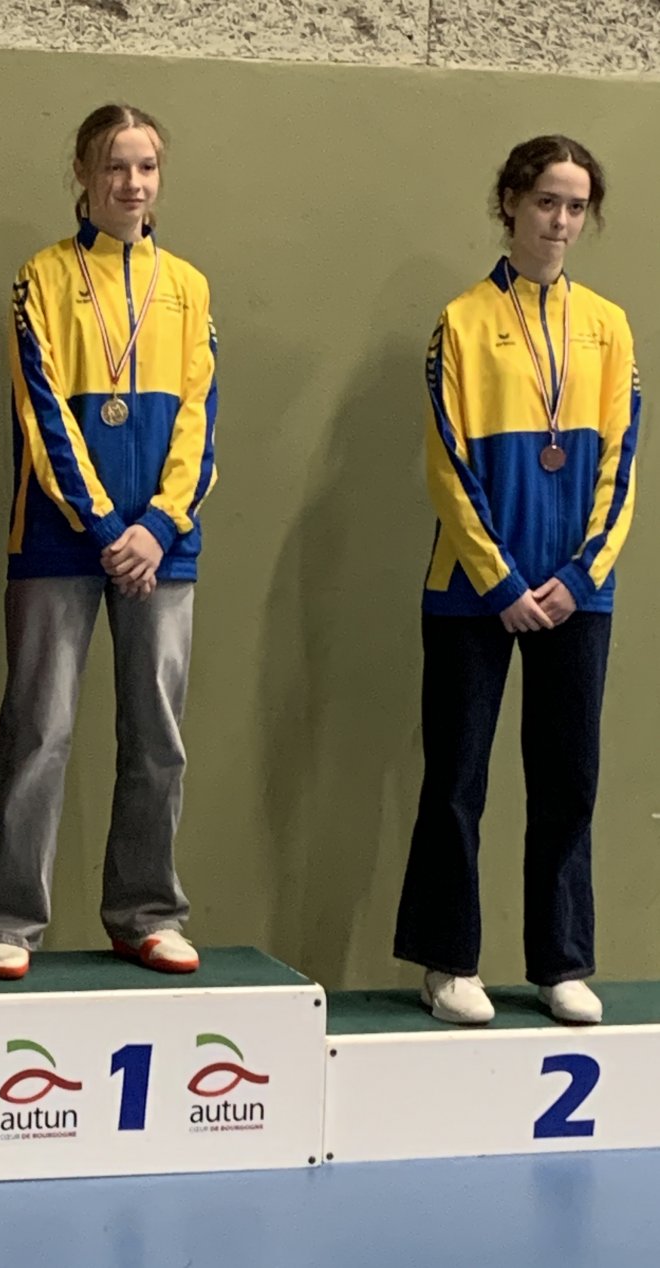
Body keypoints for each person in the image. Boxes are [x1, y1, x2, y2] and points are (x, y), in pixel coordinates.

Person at [394, 136, 640, 1026]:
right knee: (457, 778)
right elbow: (448, 463)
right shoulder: (461, 322)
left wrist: (580, 574)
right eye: (546, 202)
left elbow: (621, 461)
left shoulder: (608, 325)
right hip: (473, 591)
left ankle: (561, 962)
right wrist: (499, 579)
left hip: (578, 593)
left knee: (568, 779)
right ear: (510, 203)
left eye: (575, 206)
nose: (560, 221)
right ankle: (447, 961)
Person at [0, 104, 218, 980]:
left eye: (145, 166)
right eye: (114, 165)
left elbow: (200, 419)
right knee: (39, 730)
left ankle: (147, 912)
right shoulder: (40, 278)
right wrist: (109, 527)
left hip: (162, 548)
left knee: (158, 735)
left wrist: (157, 526)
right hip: (58, 540)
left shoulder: (187, 286)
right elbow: (43, 412)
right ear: (81, 172)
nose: (131, 183)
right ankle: (9, 921)